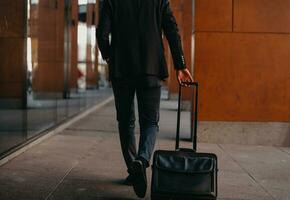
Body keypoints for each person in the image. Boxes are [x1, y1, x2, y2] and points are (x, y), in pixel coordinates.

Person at [97, 0, 193, 198]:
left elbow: (101, 34)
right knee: (150, 122)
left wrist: (109, 56)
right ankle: (141, 160)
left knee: (125, 121)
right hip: (150, 68)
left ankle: (133, 169)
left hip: (121, 69)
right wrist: (180, 65)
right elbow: (172, 31)